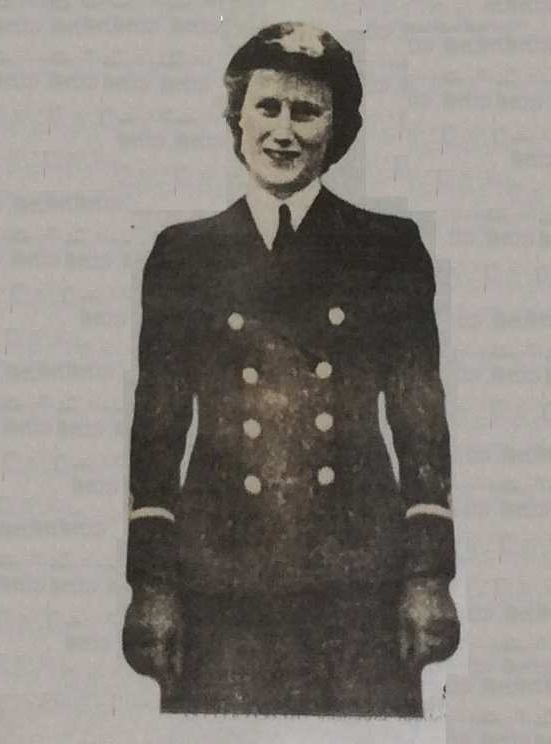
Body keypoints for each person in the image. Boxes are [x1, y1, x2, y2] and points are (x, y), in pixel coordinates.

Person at [122, 21, 460, 717]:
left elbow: (420, 420)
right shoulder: (184, 255)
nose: (283, 131)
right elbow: (157, 429)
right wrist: (150, 586)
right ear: (238, 118)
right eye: (267, 107)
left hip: (357, 582)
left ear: (336, 129)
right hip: (220, 579)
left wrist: (430, 576)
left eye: (306, 111)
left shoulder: (388, 250)